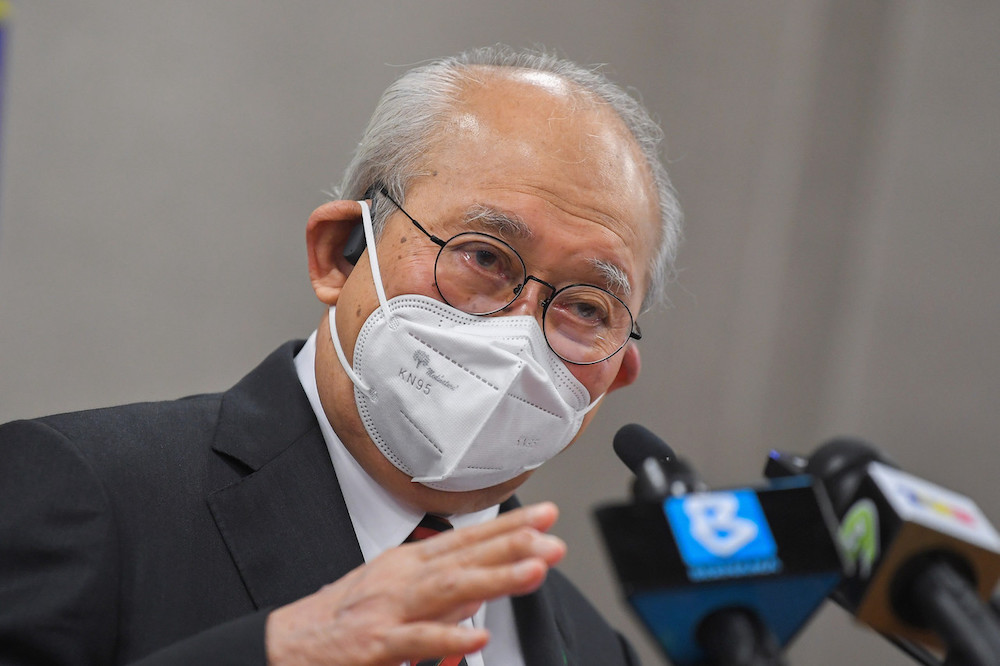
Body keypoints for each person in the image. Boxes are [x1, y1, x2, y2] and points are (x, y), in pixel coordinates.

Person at [0, 45, 681, 665]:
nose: (519, 331)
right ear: (337, 255)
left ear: (617, 373)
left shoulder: (595, 648)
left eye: (589, 306)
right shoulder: (82, 493)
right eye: (483, 256)